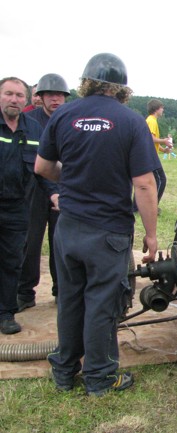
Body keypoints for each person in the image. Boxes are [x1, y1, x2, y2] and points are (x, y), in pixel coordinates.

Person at [35, 53, 160, 396]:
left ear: (86, 82)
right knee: (102, 304)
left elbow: (43, 168)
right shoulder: (131, 121)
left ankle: (63, 372)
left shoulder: (62, 115)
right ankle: (101, 378)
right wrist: (151, 236)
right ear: (122, 88)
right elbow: (146, 184)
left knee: (71, 300)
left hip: (69, 228)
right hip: (108, 233)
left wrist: (73, 179)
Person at [18, 73, 69, 311]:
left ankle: (61, 290)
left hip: (64, 188)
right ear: (41, 97)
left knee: (61, 244)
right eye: (50, 95)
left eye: (59, 95)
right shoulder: (28, 120)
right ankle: (25, 292)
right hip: (35, 190)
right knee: (30, 242)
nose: (55, 99)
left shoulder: (72, 120)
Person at [0, 77, 44, 335]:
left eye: (19, 95)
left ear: (27, 100)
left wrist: (54, 194)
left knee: (12, 261)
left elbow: (42, 170)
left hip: (18, 207)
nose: (14, 99)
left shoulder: (35, 129)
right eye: (8, 94)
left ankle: (6, 313)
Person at [133, 99, 169, 213]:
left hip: (147, 154)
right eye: (162, 108)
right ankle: (152, 207)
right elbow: (151, 138)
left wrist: (163, 150)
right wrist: (165, 141)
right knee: (161, 180)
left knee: (143, 182)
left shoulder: (150, 120)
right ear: (156, 109)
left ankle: (135, 207)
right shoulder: (152, 121)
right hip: (149, 156)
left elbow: (150, 141)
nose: (163, 110)